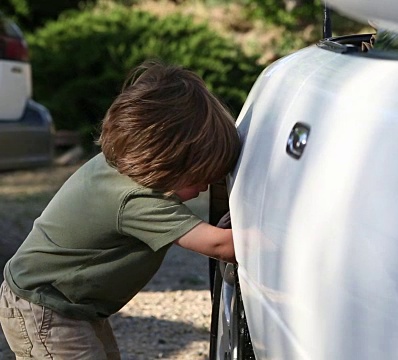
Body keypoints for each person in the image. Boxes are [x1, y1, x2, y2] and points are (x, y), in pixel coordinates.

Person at [0, 60, 241, 359]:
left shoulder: (121, 164)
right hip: (46, 308)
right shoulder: (137, 200)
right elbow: (221, 246)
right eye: (201, 175)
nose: (207, 184)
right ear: (164, 162)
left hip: (70, 305)